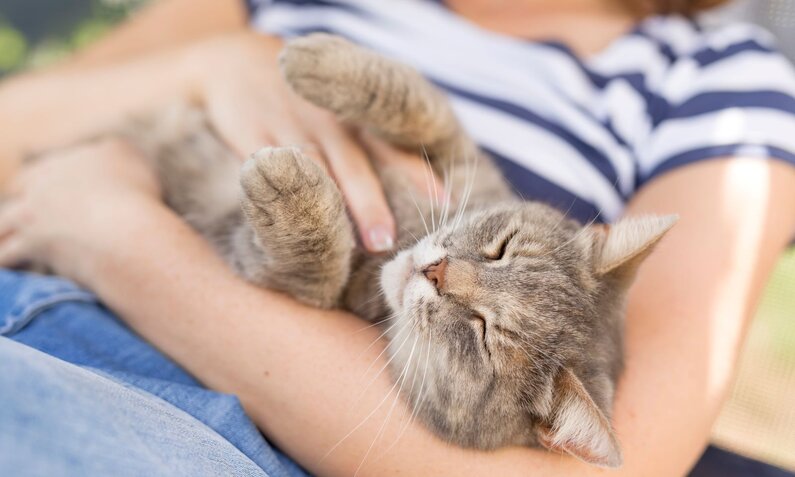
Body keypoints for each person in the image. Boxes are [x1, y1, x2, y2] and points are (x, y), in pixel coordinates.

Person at [1, 0, 795, 475]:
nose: (454, 273)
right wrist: (210, 65)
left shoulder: (715, 84)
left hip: (186, 421)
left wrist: (123, 244)